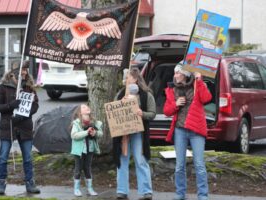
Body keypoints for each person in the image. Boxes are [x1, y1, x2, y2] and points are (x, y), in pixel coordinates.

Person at [163, 61, 212, 200]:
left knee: (199, 164)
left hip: (196, 131)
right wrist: (175, 104)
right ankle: (180, 194)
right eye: (175, 72)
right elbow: (166, 111)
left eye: (178, 72)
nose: (175, 75)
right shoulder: (172, 90)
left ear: (185, 74)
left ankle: (203, 195)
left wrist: (199, 79)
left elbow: (206, 98)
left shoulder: (197, 85)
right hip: (180, 130)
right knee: (179, 165)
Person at [0, 60, 40, 195]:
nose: (24, 72)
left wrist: (24, 115)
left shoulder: (29, 87)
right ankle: (1, 183)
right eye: (21, 70)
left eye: (25, 70)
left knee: (28, 157)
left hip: (24, 127)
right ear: (13, 73)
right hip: (8, 126)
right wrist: (10, 106)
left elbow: (35, 105)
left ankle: (30, 183)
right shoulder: (3, 87)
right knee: (3, 156)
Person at [113, 68, 156, 200]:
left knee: (140, 160)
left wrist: (141, 113)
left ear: (135, 79)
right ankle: (122, 191)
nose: (126, 79)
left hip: (139, 133)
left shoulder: (146, 94)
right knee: (122, 160)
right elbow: (113, 112)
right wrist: (121, 104)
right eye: (125, 77)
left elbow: (152, 113)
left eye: (128, 77)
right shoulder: (120, 94)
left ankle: (146, 191)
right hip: (124, 134)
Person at [70, 104, 103, 197]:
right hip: (79, 150)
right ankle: (76, 189)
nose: (87, 107)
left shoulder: (95, 122)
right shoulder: (77, 123)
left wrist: (95, 133)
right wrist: (86, 132)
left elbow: (100, 134)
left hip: (90, 149)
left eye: (87, 106)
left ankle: (90, 188)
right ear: (80, 112)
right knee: (78, 169)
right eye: (84, 107)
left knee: (88, 168)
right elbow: (74, 135)